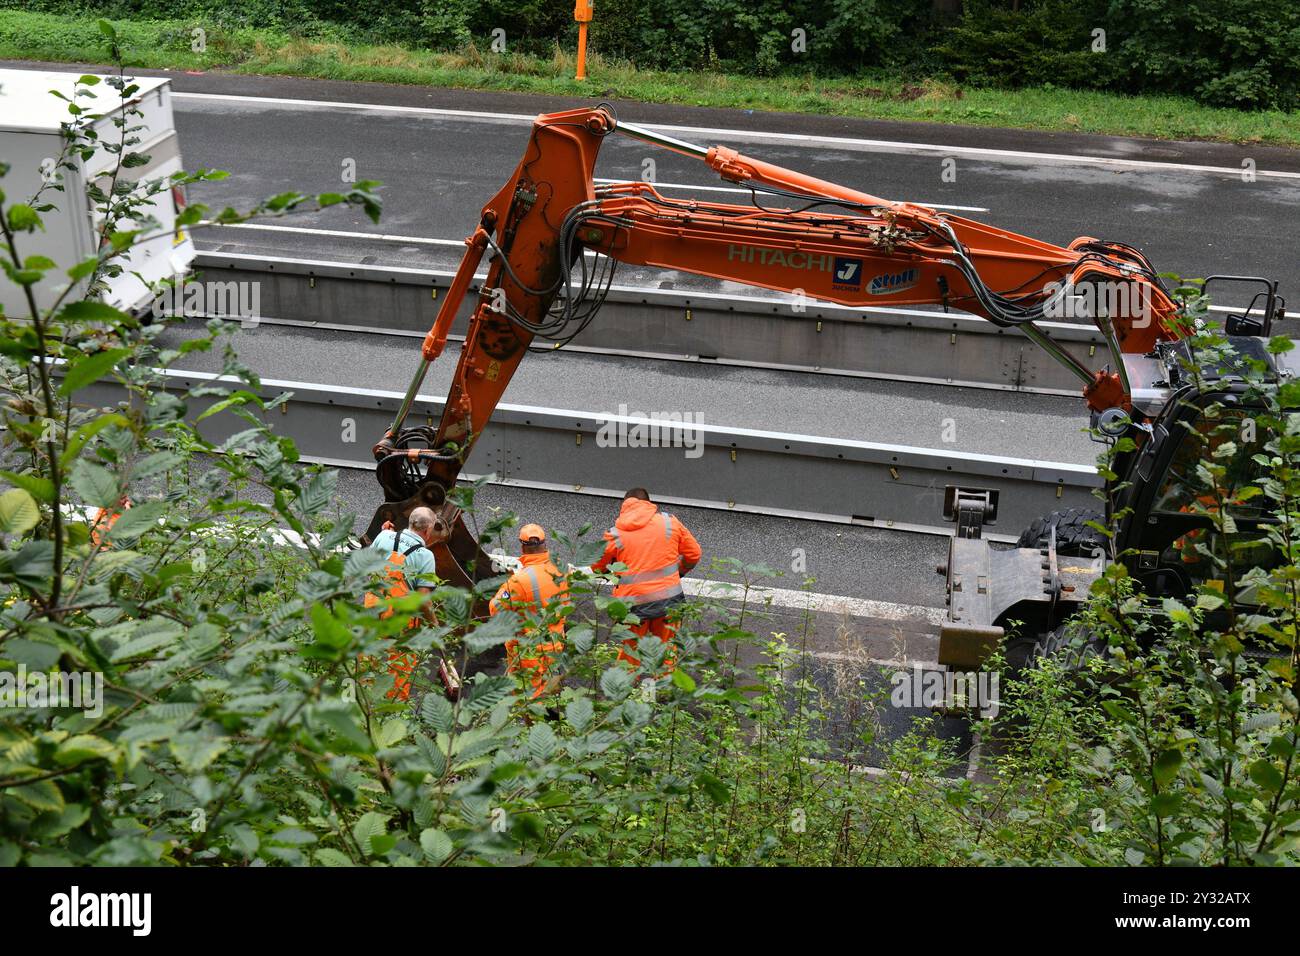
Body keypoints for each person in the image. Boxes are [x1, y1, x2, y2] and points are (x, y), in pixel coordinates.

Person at [593, 488, 702, 668]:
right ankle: (662, 690)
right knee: (666, 650)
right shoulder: (669, 522)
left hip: (632, 605)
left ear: (625, 506)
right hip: (669, 601)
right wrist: (681, 571)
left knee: (630, 651)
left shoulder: (616, 534)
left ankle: (626, 690)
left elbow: (597, 566)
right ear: (649, 504)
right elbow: (694, 554)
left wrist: (613, 573)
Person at [363, 507, 448, 700]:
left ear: (411, 523)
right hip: (399, 622)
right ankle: (392, 712)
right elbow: (422, 600)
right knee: (397, 669)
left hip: (372, 610)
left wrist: (387, 533)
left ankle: (362, 706)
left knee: (367, 661)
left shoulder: (384, 537)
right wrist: (434, 625)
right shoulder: (425, 556)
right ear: (427, 531)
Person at [489, 523, 570, 699]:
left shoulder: (519, 581)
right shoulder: (561, 570)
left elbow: (495, 609)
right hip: (555, 645)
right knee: (550, 697)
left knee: (528, 702)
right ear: (545, 544)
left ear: (523, 547)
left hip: (529, 653)